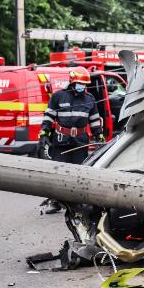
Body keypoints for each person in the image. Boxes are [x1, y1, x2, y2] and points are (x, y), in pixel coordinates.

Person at [38, 67, 104, 213]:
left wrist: (98, 134)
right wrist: (43, 133)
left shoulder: (90, 99)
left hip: (80, 141)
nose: (83, 87)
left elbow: (94, 120)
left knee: (79, 173)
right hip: (61, 141)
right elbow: (49, 117)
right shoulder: (58, 97)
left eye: (85, 84)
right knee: (58, 172)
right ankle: (55, 202)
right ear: (72, 82)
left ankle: (76, 203)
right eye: (80, 83)